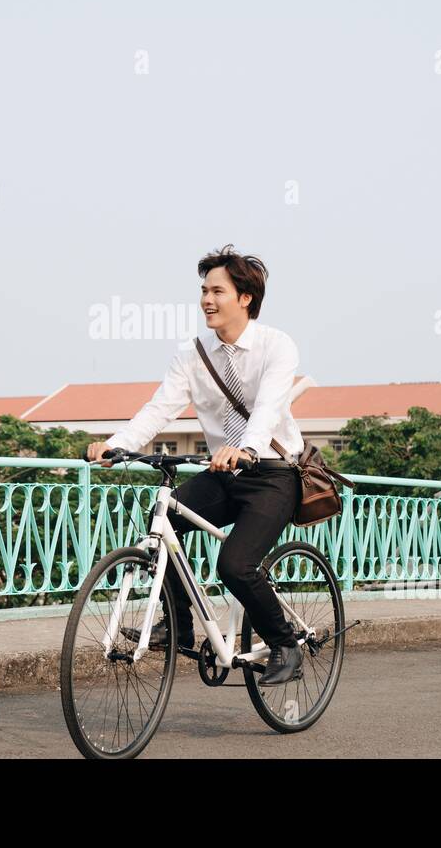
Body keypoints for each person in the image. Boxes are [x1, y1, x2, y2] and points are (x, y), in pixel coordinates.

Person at [85, 244, 306, 684]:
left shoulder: (276, 347)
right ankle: (179, 625)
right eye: (204, 290)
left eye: (217, 291)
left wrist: (246, 447)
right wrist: (115, 444)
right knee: (163, 524)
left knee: (234, 565)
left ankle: (286, 645)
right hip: (223, 472)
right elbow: (159, 409)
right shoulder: (192, 353)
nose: (207, 299)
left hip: (271, 474)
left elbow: (266, 409)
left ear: (244, 298)